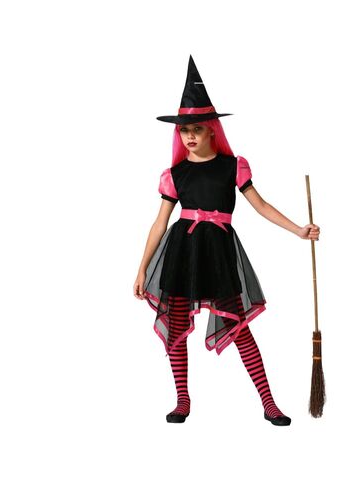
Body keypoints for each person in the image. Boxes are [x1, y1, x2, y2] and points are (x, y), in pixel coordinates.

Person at [133, 55, 320, 426]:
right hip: (182, 252)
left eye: (197, 129)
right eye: (184, 130)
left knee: (238, 327)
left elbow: (261, 206)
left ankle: (269, 403)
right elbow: (159, 224)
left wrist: (299, 229)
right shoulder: (175, 174)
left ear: (212, 131)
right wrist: (141, 269)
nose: (190, 135)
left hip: (218, 253)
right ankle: (182, 399)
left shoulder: (232, 166)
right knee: (176, 327)